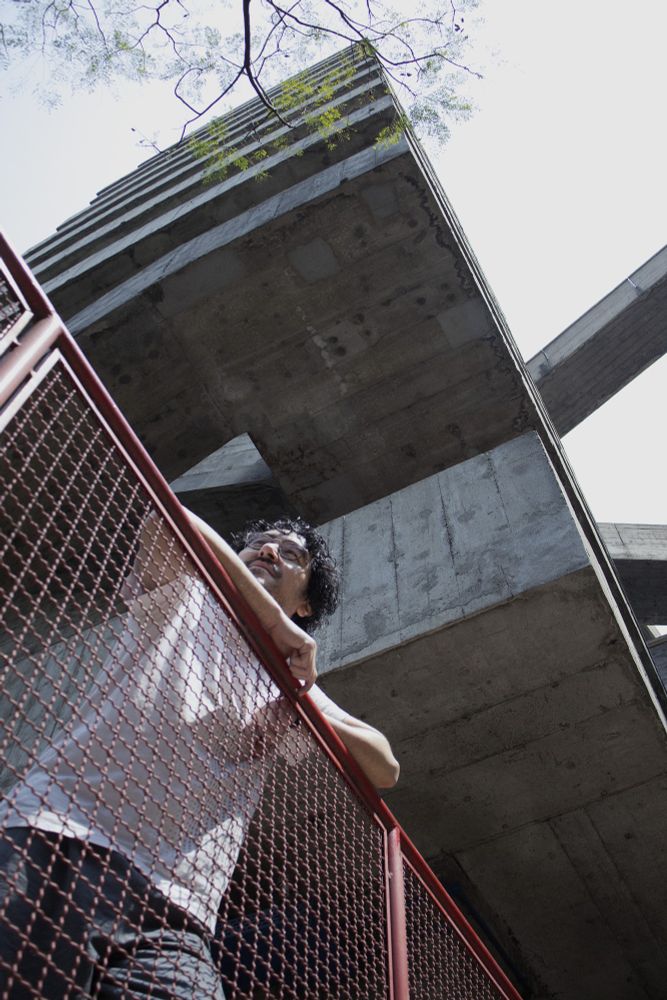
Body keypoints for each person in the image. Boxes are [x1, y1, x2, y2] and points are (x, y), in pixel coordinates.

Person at [0, 508, 399, 999]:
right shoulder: (188, 594)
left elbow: (385, 767)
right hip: (58, 837)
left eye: (291, 553)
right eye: (259, 541)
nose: (269, 549)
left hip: (177, 911)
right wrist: (273, 621)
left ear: (307, 607)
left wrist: (299, 709)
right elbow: (165, 517)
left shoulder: (292, 682)